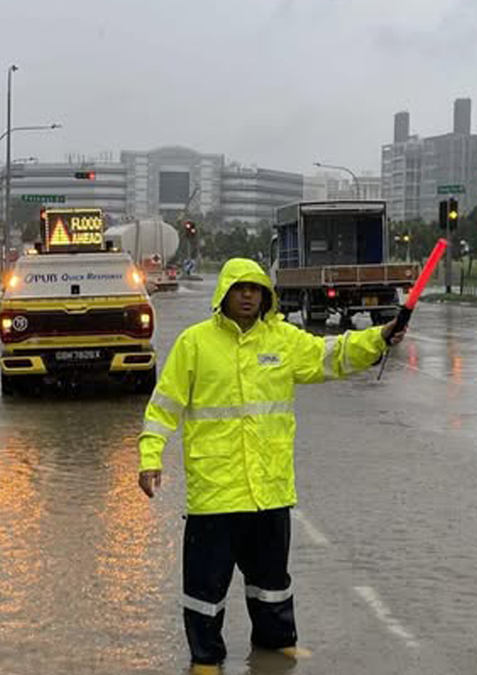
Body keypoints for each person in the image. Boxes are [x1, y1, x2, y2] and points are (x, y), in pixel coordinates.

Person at [137, 258, 406, 673]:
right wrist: (149, 457)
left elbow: (331, 354)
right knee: (205, 587)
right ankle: (206, 657)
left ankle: (276, 645)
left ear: (266, 295)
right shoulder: (195, 343)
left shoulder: (283, 340)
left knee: (271, 583)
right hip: (215, 493)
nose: (247, 295)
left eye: (255, 288)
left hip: (270, 491)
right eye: (240, 288)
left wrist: (380, 337)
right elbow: (164, 406)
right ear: (223, 294)